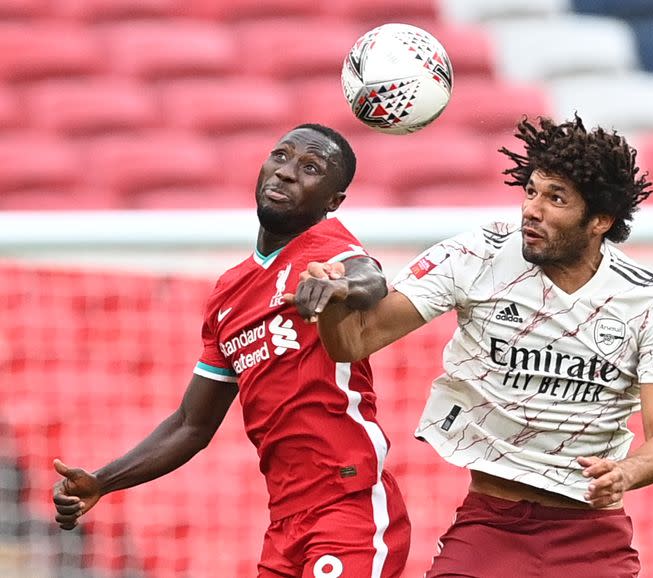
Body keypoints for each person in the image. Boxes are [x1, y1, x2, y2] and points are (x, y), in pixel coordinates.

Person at [291, 115, 653, 578]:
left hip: (592, 535)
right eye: (531, 192)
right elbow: (356, 341)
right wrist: (335, 299)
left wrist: (625, 473)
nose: (531, 210)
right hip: (491, 524)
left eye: (555, 198)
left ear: (600, 220)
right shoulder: (478, 255)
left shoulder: (650, 299)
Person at [51, 124, 411, 578]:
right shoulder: (229, 293)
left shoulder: (328, 249)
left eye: (310, 168)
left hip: (348, 507)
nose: (285, 173)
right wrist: (104, 481)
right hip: (285, 522)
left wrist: (338, 284)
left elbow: (371, 280)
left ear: (333, 202)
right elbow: (190, 425)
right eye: (280, 157)